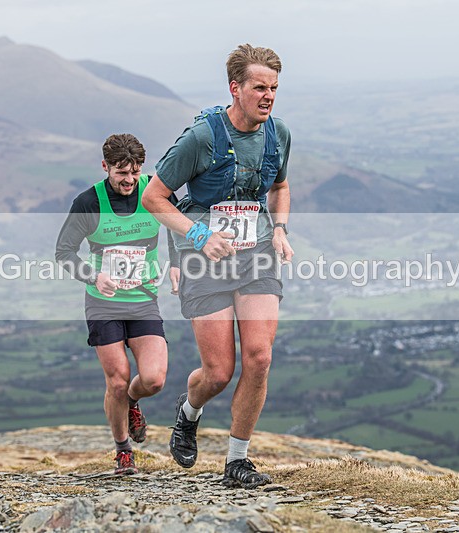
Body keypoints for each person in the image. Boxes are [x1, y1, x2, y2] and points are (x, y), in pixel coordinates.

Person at [142, 44, 293, 489]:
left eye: (274, 89)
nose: (268, 97)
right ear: (236, 88)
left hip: (257, 253)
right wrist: (199, 236)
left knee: (260, 358)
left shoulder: (278, 133)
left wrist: (280, 228)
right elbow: (154, 197)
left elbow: (281, 185)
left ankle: (237, 460)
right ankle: (189, 412)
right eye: (259, 88)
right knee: (218, 373)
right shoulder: (202, 138)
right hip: (204, 261)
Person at [56, 133, 179, 475]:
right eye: (121, 173)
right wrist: (93, 277)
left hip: (143, 300)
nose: (129, 180)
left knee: (153, 379)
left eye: (135, 172)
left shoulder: (154, 191)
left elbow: (180, 228)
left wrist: (176, 264)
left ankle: (133, 403)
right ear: (105, 167)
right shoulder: (88, 202)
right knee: (118, 382)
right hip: (103, 303)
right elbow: (63, 252)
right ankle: (123, 450)